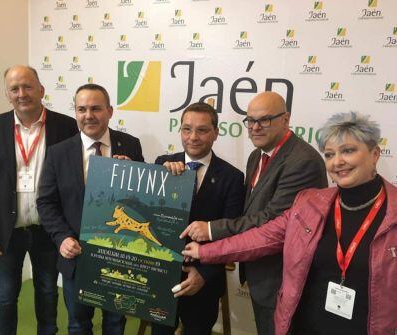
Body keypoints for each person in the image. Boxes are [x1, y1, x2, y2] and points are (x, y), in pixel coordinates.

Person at [183, 112, 397, 335]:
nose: (338, 162)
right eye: (330, 154)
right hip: (307, 326)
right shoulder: (310, 203)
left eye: (348, 151)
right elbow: (262, 238)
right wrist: (205, 252)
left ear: (375, 153)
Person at [180, 91, 327, 335]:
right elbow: (250, 211)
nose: (255, 127)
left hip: (284, 278)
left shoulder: (303, 161)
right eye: (250, 120)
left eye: (265, 120)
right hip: (262, 275)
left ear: (286, 119)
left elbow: (272, 220)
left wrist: (211, 230)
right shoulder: (256, 156)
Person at [0, 65, 79, 334]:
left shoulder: (65, 126)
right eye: (14, 88)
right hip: (6, 233)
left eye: (28, 86)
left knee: (47, 292)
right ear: (7, 94)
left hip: (49, 230)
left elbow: (76, 177)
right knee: (5, 298)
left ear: (41, 90)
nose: (22, 94)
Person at [37, 83, 144, 335]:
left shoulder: (130, 145)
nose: (88, 115)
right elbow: (46, 202)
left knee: (116, 323)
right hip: (77, 255)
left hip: (119, 255)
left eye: (96, 108)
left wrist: (134, 175)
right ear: (75, 112)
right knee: (78, 323)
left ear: (110, 111)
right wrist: (62, 237)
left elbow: (142, 202)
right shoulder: (58, 153)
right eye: (81, 109)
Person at [152, 102, 245, 335]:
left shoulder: (232, 177)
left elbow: (231, 233)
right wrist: (163, 178)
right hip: (161, 275)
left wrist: (204, 274)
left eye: (202, 130)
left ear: (215, 132)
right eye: (187, 129)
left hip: (204, 281)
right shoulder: (161, 165)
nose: (193, 137)